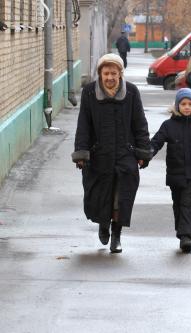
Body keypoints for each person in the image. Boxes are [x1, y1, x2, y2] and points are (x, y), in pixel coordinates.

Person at [72, 53, 151, 253]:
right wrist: (82, 153)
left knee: (121, 197)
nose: (109, 78)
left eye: (113, 73)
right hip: (99, 155)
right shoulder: (90, 93)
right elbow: (84, 125)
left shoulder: (131, 92)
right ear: (100, 74)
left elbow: (140, 124)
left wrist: (142, 151)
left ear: (120, 74)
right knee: (100, 194)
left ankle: (116, 235)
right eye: (106, 73)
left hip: (125, 154)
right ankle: (103, 224)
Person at [150, 88, 191, 253]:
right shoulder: (169, 125)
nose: (186, 107)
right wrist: (146, 154)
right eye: (183, 104)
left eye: (190, 104)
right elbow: (156, 142)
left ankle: (186, 237)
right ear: (177, 106)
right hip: (175, 173)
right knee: (178, 203)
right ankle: (181, 231)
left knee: (188, 204)